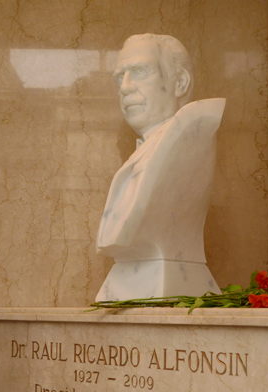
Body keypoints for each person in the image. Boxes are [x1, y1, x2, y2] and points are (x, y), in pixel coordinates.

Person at [96, 34, 225, 301]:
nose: (125, 87)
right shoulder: (145, 150)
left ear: (180, 82)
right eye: (119, 78)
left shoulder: (189, 139)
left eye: (140, 71)